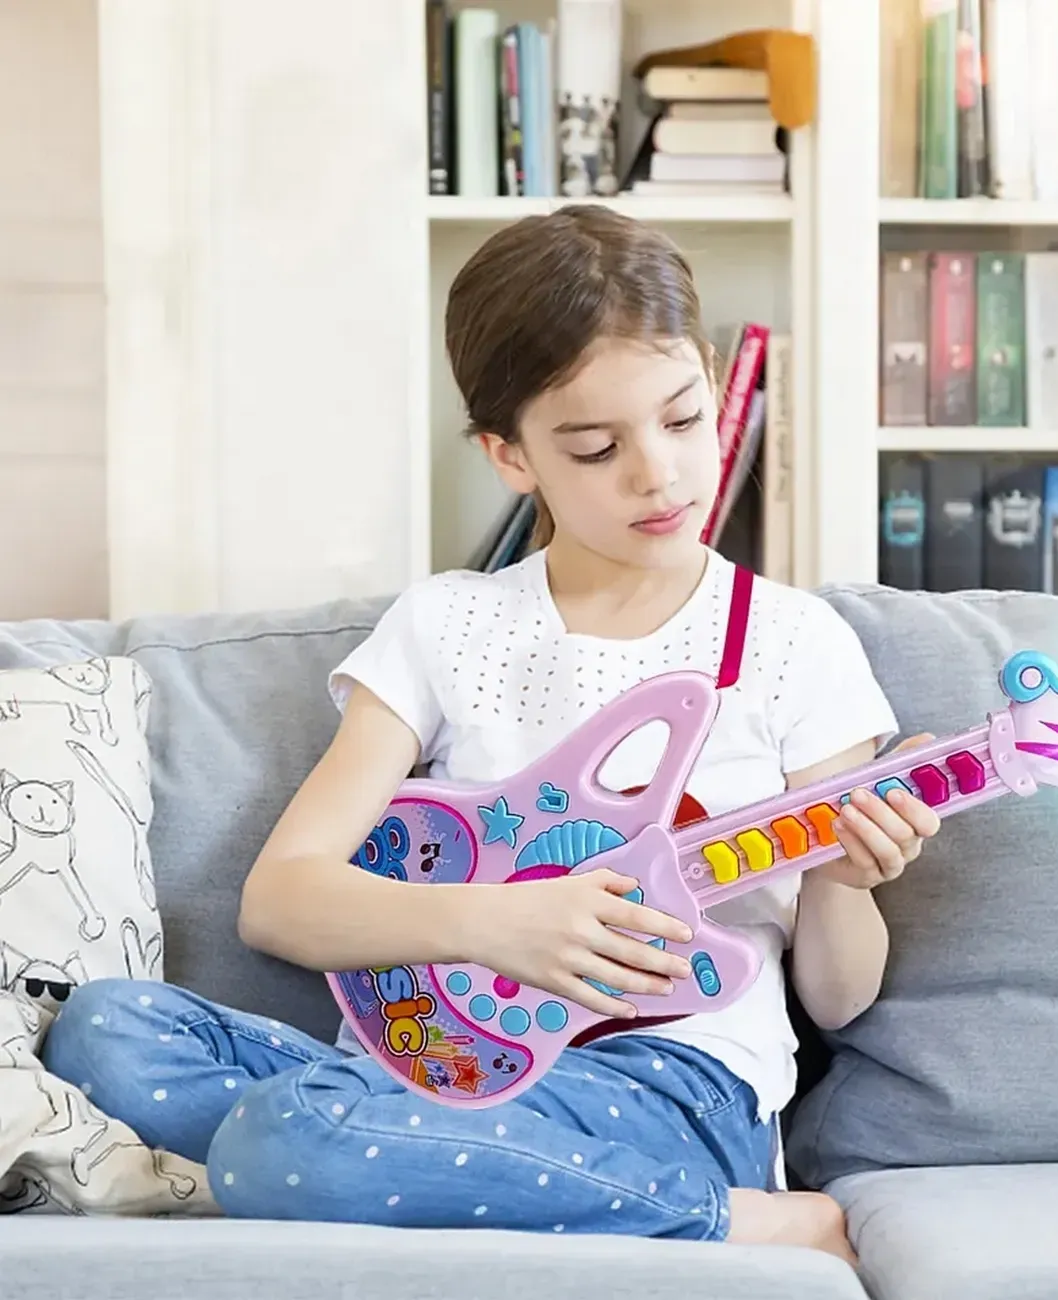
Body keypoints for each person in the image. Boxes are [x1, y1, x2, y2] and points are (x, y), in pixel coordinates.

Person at [42, 205, 940, 1261]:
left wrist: (844, 880)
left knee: (285, 1141)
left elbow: (838, 996)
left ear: (707, 380)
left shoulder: (794, 643)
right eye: (596, 447)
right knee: (105, 1027)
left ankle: (744, 1220)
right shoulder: (449, 623)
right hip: (417, 1069)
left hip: (665, 1085)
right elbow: (280, 900)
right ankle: (381, 1157)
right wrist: (497, 926)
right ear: (509, 456)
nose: (658, 473)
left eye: (684, 418)